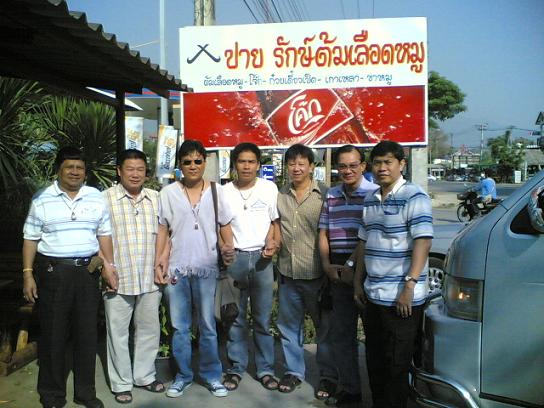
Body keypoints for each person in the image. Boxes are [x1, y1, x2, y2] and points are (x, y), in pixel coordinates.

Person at [22, 146, 116, 408]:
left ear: (85, 172)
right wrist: (27, 274)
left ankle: (85, 393)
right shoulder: (42, 199)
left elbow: (104, 234)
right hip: (54, 273)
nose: (75, 172)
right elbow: (30, 238)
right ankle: (52, 394)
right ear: (59, 170)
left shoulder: (95, 197)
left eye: (79, 168)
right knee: (54, 335)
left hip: (87, 273)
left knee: (86, 334)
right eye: (69, 167)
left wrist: (109, 266)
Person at [353, 140, 433, 408]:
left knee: (397, 365)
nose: (382, 168)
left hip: (401, 298)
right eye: (377, 163)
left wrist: (409, 286)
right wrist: (358, 283)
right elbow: (363, 243)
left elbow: (423, 241)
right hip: (374, 295)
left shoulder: (415, 196)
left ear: (402, 164)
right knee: (375, 362)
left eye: (388, 162)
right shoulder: (370, 199)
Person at [154, 140, 235, 399]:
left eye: (197, 161)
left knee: (208, 326)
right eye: (187, 162)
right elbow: (163, 230)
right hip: (177, 269)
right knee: (179, 327)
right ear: (180, 165)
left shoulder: (217, 191)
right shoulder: (168, 193)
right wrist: (159, 261)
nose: (192, 166)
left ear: (204, 162)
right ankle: (183, 376)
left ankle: (212, 376)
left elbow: (225, 226)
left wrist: (228, 248)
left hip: (207, 268)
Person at [318, 145, 378, 406]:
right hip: (337, 269)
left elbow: (370, 234)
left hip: (366, 267)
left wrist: (353, 267)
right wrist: (327, 265)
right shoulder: (331, 194)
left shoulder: (374, 194)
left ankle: (380, 392)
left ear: (363, 166)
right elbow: (323, 232)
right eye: (342, 166)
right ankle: (351, 390)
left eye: (353, 165)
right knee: (342, 335)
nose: (347, 171)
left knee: (374, 335)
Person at [102, 149, 163, 404]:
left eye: (140, 169)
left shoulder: (157, 198)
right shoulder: (105, 199)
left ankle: (144, 376)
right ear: (119, 171)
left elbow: (166, 232)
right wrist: (105, 266)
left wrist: (163, 261)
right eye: (130, 169)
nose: (135, 174)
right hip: (118, 276)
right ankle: (121, 383)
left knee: (149, 329)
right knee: (117, 332)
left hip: (149, 276)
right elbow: (96, 234)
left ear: (146, 173)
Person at [276, 144, 336, 396]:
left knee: (324, 329)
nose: (296, 168)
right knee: (289, 328)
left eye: (302, 163)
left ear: (312, 167)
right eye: (292, 163)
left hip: (316, 275)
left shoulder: (325, 195)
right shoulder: (279, 195)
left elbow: (331, 234)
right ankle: (294, 372)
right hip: (288, 275)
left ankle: (328, 376)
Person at [221, 143, 280, 391]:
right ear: (235, 164)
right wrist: (226, 247)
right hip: (235, 259)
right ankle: (236, 368)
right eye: (242, 161)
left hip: (262, 260)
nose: (246, 166)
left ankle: (265, 369)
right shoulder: (224, 191)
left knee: (262, 318)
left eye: (251, 161)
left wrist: (273, 242)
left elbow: (275, 222)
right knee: (235, 318)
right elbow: (222, 224)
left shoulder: (269, 188)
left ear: (258, 164)